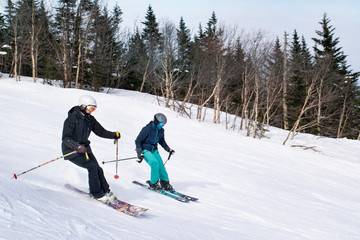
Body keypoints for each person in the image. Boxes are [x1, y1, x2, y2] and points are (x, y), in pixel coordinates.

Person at [62, 95, 121, 202]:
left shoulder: (90, 119)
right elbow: (66, 138)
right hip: (71, 151)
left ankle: (106, 191)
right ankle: (95, 193)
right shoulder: (71, 119)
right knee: (92, 167)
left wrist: (113, 135)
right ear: (83, 106)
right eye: (91, 108)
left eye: (94, 109)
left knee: (98, 168)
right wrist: (77, 146)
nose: (92, 111)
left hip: (85, 149)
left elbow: (100, 131)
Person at [135, 113, 175, 191]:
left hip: (154, 149)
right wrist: (139, 153)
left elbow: (162, 141)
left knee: (161, 165)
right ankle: (154, 183)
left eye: (163, 125)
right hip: (145, 149)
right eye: (161, 124)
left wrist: (168, 149)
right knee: (154, 163)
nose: (162, 126)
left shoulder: (161, 130)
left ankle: (165, 183)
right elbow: (138, 140)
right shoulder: (147, 129)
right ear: (156, 121)